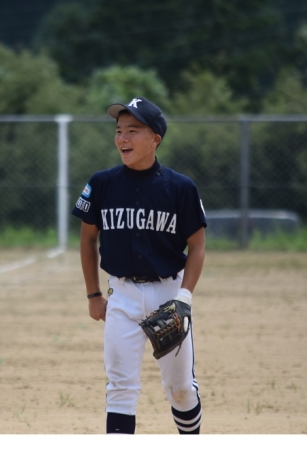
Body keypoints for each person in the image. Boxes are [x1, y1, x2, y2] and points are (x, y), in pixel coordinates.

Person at [71, 97, 207, 434]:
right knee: (120, 388)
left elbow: (197, 245)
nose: (122, 138)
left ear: (155, 138)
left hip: (169, 295)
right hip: (123, 295)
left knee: (180, 389)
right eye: (119, 130)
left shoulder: (180, 187)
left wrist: (184, 297)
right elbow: (87, 239)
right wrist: (93, 295)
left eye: (133, 130)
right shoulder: (102, 184)